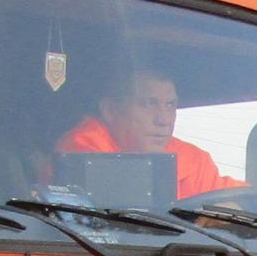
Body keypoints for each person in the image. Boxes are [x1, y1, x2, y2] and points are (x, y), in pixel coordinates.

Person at [56, 66, 224, 197]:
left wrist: (230, 206)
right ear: (111, 110)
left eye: (170, 105)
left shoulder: (195, 160)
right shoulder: (84, 147)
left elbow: (236, 198)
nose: (164, 120)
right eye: (149, 104)